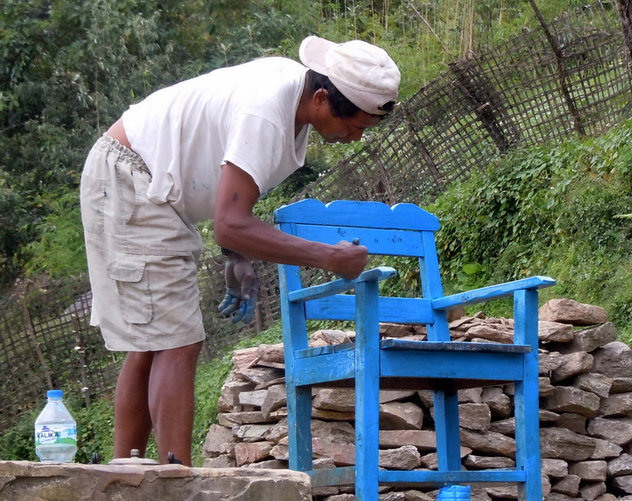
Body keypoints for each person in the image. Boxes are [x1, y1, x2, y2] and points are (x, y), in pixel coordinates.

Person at [79, 36, 400, 465]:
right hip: (132, 178)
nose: (356, 137)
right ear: (323, 97)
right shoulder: (267, 112)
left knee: (154, 339)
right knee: (177, 341)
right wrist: (328, 257)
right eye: (356, 125)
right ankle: (174, 485)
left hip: (145, 180)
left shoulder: (293, 97)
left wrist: (238, 252)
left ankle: (129, 479)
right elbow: (230, 224)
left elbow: (225, 186)